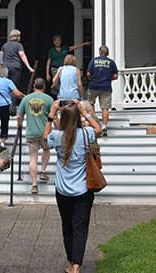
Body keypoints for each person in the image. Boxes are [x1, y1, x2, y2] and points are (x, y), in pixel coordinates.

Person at [43, 101, 102, 273]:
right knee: (80, 228)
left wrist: (51, 113)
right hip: (83, 188)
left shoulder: (57, 136)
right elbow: (98, 130)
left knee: (67, 226)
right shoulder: (86, 133)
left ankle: (71, 261)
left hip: (63, 189)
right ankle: (76, 265)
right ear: (77, 117)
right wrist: (85, 113)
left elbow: (45, 137)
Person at [16, 77, 54, 194]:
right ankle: (42, 171)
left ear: (34, 86)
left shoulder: (26, 99)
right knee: (46, 150)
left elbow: (19, 115)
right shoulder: (49, 99)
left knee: (33, 158)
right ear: (44, 87)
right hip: (45, 132)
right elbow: (54, 116)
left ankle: (34, 184)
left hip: (31, 132)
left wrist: (19, 125)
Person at [0, 67, 24, 147]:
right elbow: (16, 93)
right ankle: (2, 143)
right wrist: (25, 97)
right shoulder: (8, 81)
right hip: (5, 106)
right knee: (4, 124)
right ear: (6, 74)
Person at [85, 45, 119, 136]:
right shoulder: (111, 62)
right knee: (105, 108)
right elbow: (116, 76)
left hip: (94, 86)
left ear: (100, 52)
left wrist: (92, 78)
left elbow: (88, 73)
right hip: (106, 87)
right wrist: (108, 78)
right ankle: (104, 126)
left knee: (91, 104)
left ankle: (94, 124)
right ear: (107, 53)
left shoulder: (94, 60)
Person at [0, 29, 35, 93]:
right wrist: (29, 67)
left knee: (5, 85)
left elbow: (1, 57)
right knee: (14, 86)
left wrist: (0, 68)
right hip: (15, 67)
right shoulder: (18, 45)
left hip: (5, 68)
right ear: (17, 37)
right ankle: (13, 102)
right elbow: (22, 55)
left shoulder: (4, 45)